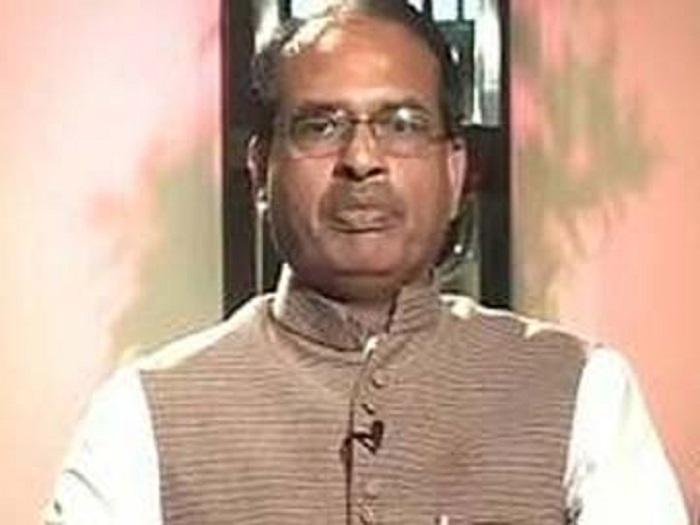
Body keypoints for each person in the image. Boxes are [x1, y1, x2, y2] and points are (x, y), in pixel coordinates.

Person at [48, 1, 688, 524]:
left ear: (454, 171)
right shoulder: (142, 414)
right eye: (320, 126)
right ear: (261, 171)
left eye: (402, 124)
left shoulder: (584, 390)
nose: (361, 160)